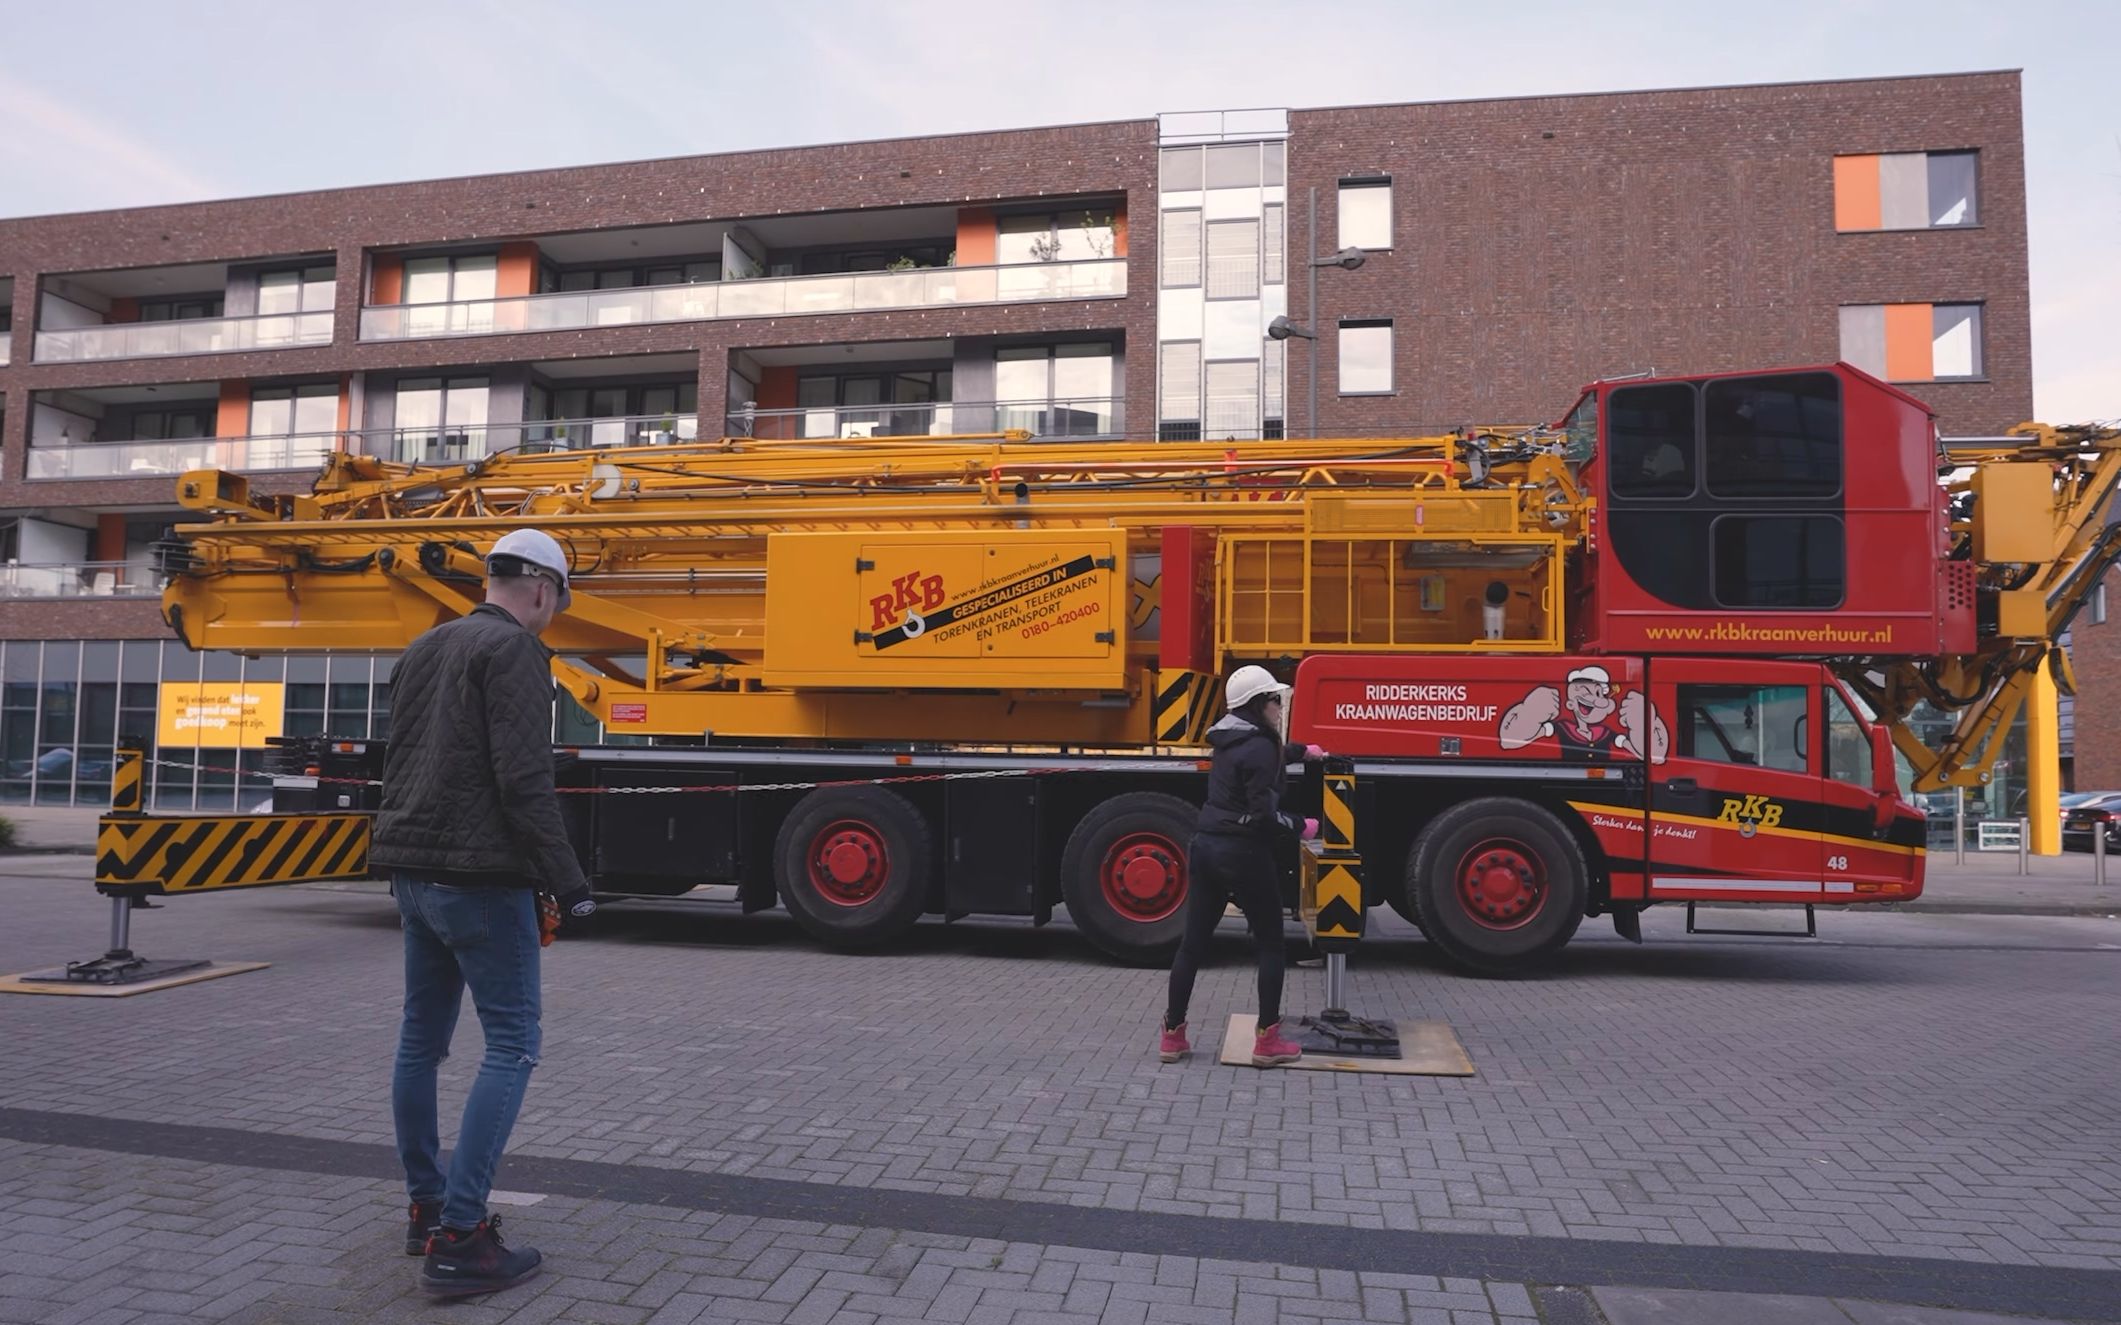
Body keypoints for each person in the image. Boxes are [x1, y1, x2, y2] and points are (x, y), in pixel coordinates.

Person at [372, 528, 596, 1299]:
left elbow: (403, 759)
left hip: (413, 873)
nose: (552, 613)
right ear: (541, 589)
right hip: (480, 881)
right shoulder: (516, 652)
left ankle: (426, 1207)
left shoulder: (425, 647)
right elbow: (523, 780)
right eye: (556, 601)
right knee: (512, 1045)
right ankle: (462, 1237)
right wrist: (569, 882)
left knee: (420, 1041)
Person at [1158, 665, 1325, 1068]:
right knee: (1271, 945)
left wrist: (1301, 751)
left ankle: (1172, 1035)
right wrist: (1301, 826)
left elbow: (1260, 760)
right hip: (1244, 853)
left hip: (1206, 847)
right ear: (1258, 704)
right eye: (1274, 700)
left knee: (1192, 945)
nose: (1279, 708)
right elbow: (1263, 816)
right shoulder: (1261, 746)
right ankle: (1267, 1041)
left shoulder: (1227, 740)